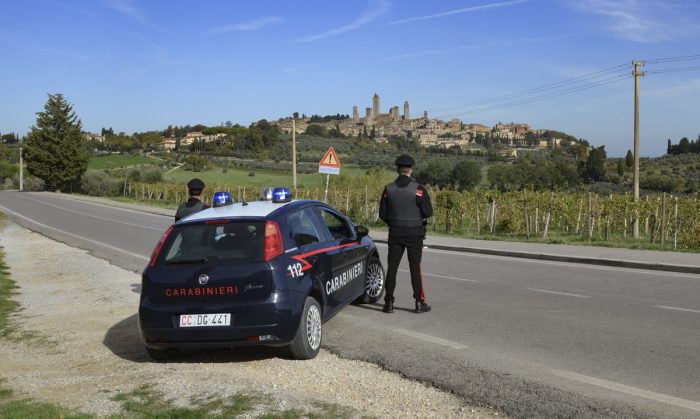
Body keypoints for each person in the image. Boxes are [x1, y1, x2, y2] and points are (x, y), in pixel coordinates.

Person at [379, 155, 433, 314]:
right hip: (415, 233)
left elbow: (383, 214)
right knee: (415, 268)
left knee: (392, 268)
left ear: (397, 169)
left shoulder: (388, 189)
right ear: (411, 169)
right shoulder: (418, 189)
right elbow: (428, 212)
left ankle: (388, 303)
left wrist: (394, 222)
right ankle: (419, 302)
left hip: (395, 233)